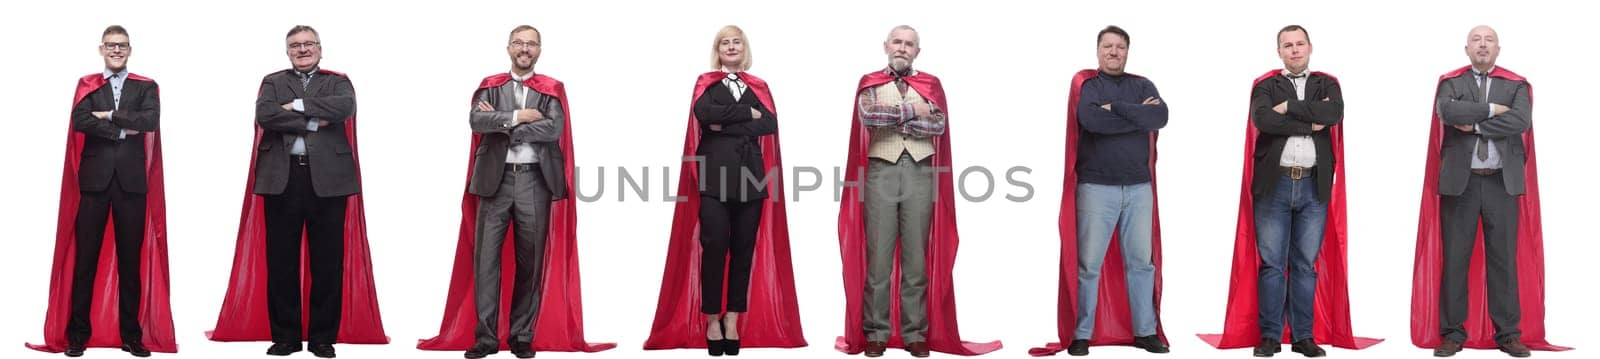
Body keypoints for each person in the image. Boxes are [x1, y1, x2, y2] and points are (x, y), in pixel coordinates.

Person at [209, 25, 388, 358]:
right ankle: (286, 337)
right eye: (295, 46)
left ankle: (322, 338)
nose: (303, 50)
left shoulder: (339, 81)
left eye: (308, 44)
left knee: (328, 262)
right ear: (287, 51)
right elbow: (265, 114)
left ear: (320, 48)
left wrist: (294, 105)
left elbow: (343, 109)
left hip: (329, 181)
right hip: (282, 179)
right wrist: (309, 119)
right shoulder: (273, 81)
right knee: (281, 261)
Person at [835, 25, 999, 358]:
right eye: (897, 41)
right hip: (881, 171)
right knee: (879, 258)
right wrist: (913, 112)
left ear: (917, 52)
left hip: (921, 172)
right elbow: (869, 116)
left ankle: (915, 334)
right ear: (886, 45)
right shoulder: (870, 83)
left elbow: (937, 124)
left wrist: (899, 116)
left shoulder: (930, 85)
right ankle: (876, 333)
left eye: (909, 44)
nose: (902, 47)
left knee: (915, 258)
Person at [643, 25, 805, 356]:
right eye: (724, 43)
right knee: (714, 246)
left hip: (752, 178)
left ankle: (732, 317)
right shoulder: (706, 83)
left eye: (736, 42)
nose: (731, 47)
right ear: (717, 50)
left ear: (744, 48)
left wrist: (726, 122)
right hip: (713, 176)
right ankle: (711, 318)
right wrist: (748, 114)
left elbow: (769, 124)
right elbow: (703, 115)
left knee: (744, 249)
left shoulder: (758, 86)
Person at [28, 25, 175, 358]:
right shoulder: (88, 85)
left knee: (130, 262)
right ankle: (77, 335)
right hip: (93, 184)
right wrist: (124, 129)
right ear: (101, 49)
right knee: (86, 262)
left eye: (122, 45)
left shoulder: (146, 86)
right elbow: (80, 120)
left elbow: (150, 121)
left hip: (132, 185)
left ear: (130, 49)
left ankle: (131, 337)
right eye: (111, 45)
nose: (117, 50)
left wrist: (109, 116)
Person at [1415, 25, 1544, 359]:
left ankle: (1508, 334)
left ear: (1498, 49)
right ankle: (1453, 334)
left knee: (1503, 262)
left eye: (1489, 41)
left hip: (1502, 182)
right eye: (1476, 40)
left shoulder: (1515, 84)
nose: (1482, 45)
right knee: (1455, 260)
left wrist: (1473, 124)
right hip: (1462, 184)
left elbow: (1520, 121)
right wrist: (1491, 111)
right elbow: (1448, 112)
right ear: (1466, 49)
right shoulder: (1451, 83)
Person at [1065, 25, 1168, 357]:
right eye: (1107, 46)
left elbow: (1160, 116)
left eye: (1119, 47)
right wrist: (1138, 114)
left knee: (1141, 263)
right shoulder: (1089, 86)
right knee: (1089, 264)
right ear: (1098, 51)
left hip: (1139, 187)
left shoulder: (1143, 84)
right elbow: (1091, 121)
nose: (1113, 52)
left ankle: (1145, 332)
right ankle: (1082, 334)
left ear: (1127, 51)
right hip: (1096, 187)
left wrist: (1115, 108)